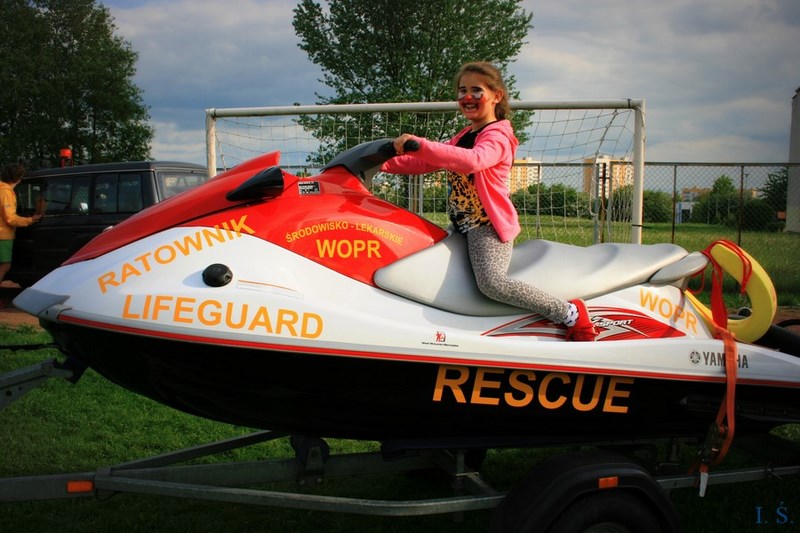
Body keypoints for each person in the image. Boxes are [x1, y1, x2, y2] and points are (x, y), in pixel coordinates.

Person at [381, 62, 598, 341]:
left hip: (486, 228)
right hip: (460, 225)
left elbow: (474, 160)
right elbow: (424, 162)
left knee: (492, 283)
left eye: (476, 90)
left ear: (496, 96)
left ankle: (569, 313)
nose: (467, 97)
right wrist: (379, 163)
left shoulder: (498, 135)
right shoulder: (464, 135)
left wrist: (421, 144)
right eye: (462, 90)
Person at [0, 163, 42, 288]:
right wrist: (30, 220)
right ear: (18, 178)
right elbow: (10, 218)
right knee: (5, 264)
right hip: (2, 234)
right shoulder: (6, 192)